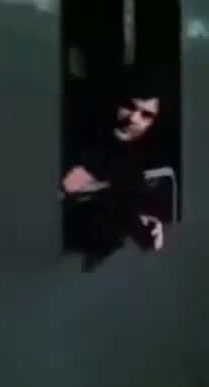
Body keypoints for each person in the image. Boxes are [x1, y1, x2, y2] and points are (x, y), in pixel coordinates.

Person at [62, 65, 170, 265]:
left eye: (146, 115)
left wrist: (143, 219)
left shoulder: (144, 154)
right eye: (129, 105)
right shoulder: (82, 139)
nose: (133, 118)